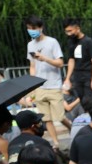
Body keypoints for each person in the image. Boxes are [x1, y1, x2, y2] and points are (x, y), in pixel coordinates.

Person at [26, 15, 65, 147]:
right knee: (46, 119)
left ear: (41, 28)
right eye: (29, 28)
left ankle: (72, 129)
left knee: (60, 117)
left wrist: (45, 59)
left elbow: (60, 63)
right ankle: (56, 144)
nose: (31, 30)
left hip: (54, 85)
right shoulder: (30, 45)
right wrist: (32, 85)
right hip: (39, 87)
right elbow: (32, 66)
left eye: (34, 28)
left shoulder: (52, 42)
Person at [63, 19, 92, 99]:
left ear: (77, 28)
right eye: (66, 31)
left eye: (70, 30)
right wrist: (67, 78)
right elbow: (71, 60)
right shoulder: (70, 42)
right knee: (81, 100)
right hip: (77, 77)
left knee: (91, 100)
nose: (69, 34)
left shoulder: (88, 41)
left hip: (88, 76)